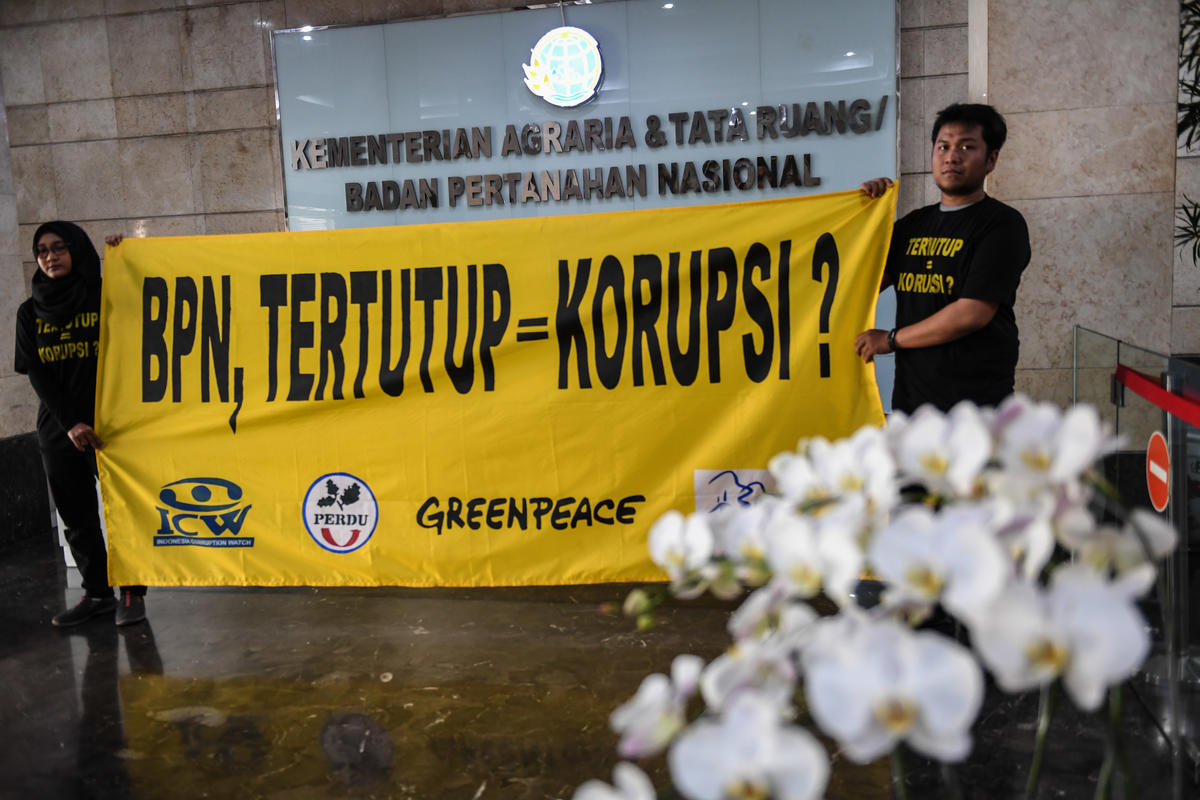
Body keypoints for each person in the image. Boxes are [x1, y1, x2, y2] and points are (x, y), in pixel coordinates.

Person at [854, 103, 1031, 413]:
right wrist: (865, 216)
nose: (952, 156)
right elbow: (865, 284)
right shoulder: (913, 225)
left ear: (991, 160)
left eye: (967, 146)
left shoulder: (1002, 224)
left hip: (977, 407)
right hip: (912, 402)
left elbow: (972, 312)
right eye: (943, 146)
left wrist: (891, 339)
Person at [15, 222, 147, 626]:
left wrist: (126, 259)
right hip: (59, 430)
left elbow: (147, 301)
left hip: (113, 427)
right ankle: (96, 595)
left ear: (77, 250)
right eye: (42, 250)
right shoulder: (29, 310)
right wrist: (70, 422)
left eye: (59, 248)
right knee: (77, 518)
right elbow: (36, 372)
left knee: (125, 512)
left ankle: (131, 595)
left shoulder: (104, 295)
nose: (50, 256)